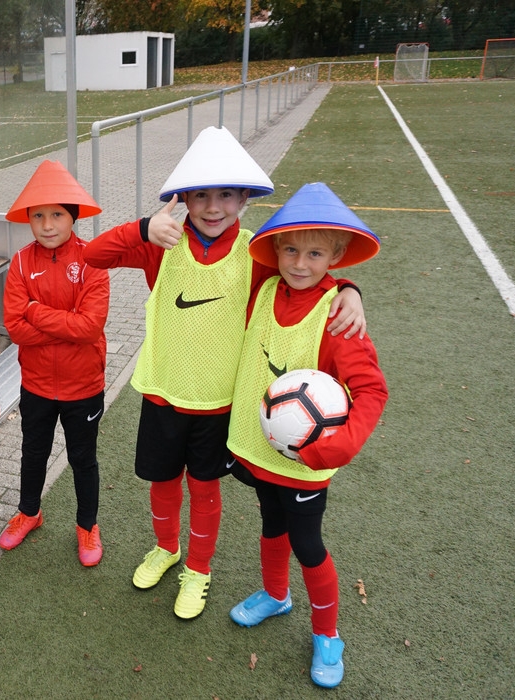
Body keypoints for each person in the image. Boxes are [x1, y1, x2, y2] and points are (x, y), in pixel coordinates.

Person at [82, 126, 366, 619]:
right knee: (162, 483)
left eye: (227, 195)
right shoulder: (163, 243)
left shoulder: (256, 254)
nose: (213, 207)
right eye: (201, 195)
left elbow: (304, 278)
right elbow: (92, 256)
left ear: (245, 199)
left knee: (203, 486)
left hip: (219, 403)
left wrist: (347, 288)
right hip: (162, 391)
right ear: (184, 199)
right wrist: (142, 227)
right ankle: (166, 548)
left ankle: (198, 569)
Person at [226, 182, 388, 688]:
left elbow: (372, 390)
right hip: (261, 450)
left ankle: (328, 634)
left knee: (308, 543)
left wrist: (337, 447)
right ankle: (277, 595)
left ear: (335, 256)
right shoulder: (264, 287)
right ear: (276, 249)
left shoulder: (337, 317)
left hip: (307, 464)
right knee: (270, 524)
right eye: (291, 249)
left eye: (315, 253)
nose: (299, 263)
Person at [0, 160, 110, 566]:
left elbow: (90, 327)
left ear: (73, 216)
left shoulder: (93, 260)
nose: (47, 225)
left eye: (57, 214)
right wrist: (65, 324)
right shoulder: (20, 262)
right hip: (37, 384)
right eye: (38, 216)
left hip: (84, 384)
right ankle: (29, 513)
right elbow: (15, 327)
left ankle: (87, 525)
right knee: (33, 452)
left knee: (83, 458)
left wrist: (35, 310)